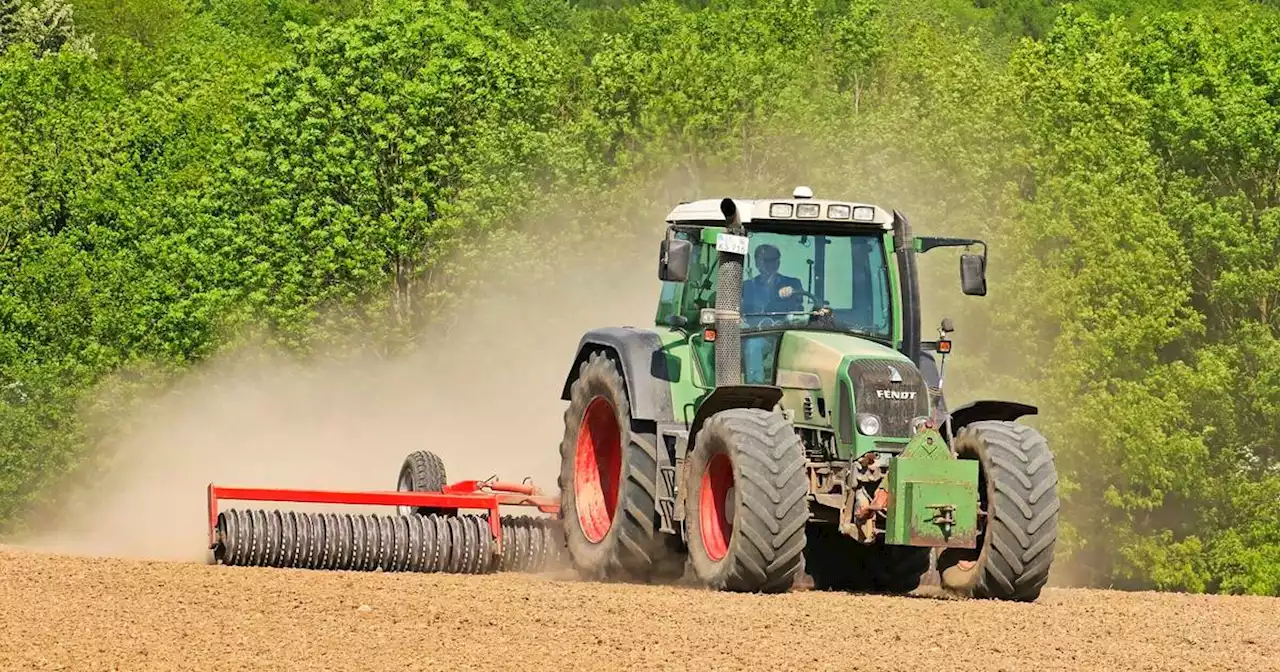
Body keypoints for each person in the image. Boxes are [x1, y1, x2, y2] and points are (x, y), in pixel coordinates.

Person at [743, 243, 805, 314]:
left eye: (771, 260)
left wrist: (793, 292)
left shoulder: (793, 283)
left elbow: (799, 303)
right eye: (763, 260)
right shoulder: (746, 286)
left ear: (778, 263)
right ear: (756, 263)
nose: (766, 264)